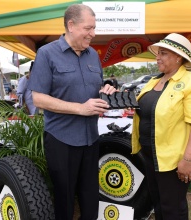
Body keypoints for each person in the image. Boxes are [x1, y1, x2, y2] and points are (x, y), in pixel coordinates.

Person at [27, 4, 116, 220]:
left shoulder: (93, 55)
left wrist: (105, 92)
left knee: (90, 197)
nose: (93, 34)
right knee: (64, 199)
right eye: (88, 28)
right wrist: (80, 109)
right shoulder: (47, 54)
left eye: (94, 28)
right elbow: (38, 98)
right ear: (71, 25)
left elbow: (91, 90)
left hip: (90, 139)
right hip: (62, 140)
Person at [131, 33, 191, 219]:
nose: (157, 57)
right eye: (158, 53)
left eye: (163, 53)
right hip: (152, 155)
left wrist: (188, 161)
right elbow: (146, 109)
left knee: (172, 208)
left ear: (178, 57)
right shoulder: (154, 81)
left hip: (175, 160)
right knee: (158, 202)